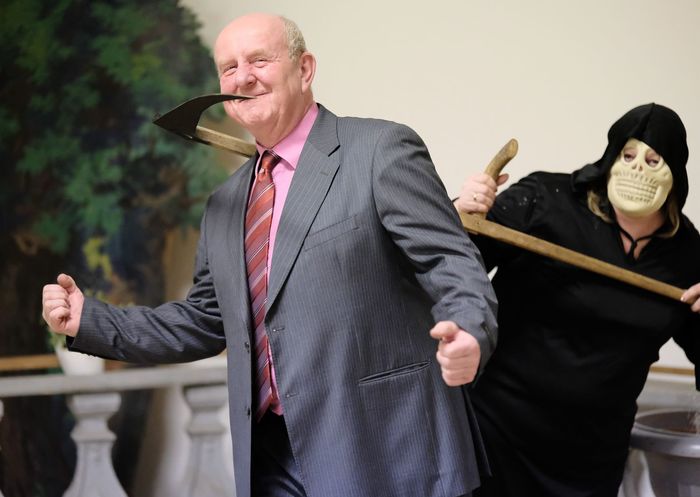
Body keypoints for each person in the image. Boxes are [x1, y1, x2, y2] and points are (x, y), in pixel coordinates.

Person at [42, 13, 498, 497]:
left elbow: (450, 262)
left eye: (259, 60)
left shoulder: (380, 149)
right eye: (229, 67)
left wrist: (469, 331)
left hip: (389, 450)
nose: (242, 78)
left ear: (305, 69)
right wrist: (90, 320)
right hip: (271, 462)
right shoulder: (224, 203)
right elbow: (204, 319)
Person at [454, 102, 700, 497]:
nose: (638, 169)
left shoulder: (687, 255)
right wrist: (458, 213)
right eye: (629, 156)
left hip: (592, 459)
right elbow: (456, 265)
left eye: (654, 161)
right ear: (611, 156)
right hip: (497, 435)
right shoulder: (545, 201)